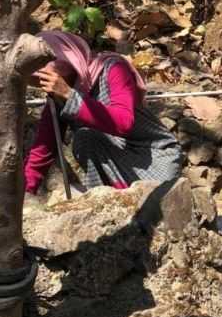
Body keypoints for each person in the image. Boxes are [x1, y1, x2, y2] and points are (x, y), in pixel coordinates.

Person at [23, 31, 182, 195]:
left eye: (45, 69)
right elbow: (43, 148)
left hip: (152, 160)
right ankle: (114, 200)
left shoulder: (112, 68)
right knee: (85, 139)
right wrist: (23, 193)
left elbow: (124, 122)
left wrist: (69, 95)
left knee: (86, 137)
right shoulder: (57, 97)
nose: (42, 80)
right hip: (114, 168)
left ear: (68, 58)